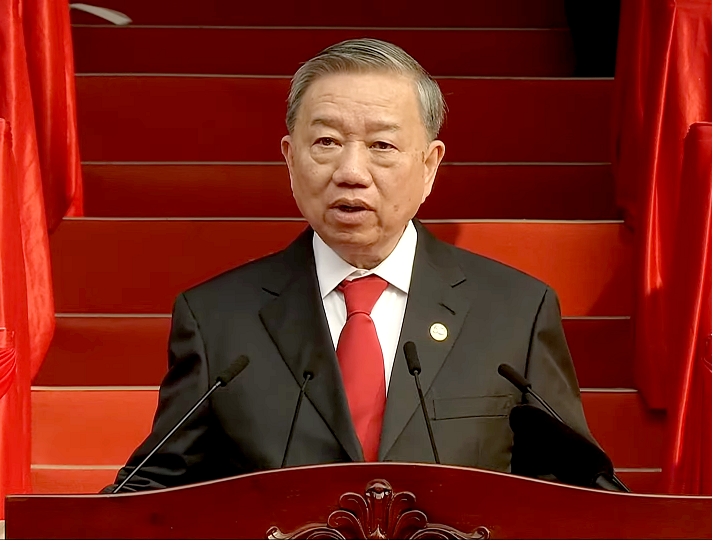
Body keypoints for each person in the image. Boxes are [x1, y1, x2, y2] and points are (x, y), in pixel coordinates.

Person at [106, 38, 595, 492]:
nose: (351, 172)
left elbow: (578, 492)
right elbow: (150, 495)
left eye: (382, 146)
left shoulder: (515, 312)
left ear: (429, 166)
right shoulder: (216, 319)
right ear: (290, 159)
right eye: (326, 142)